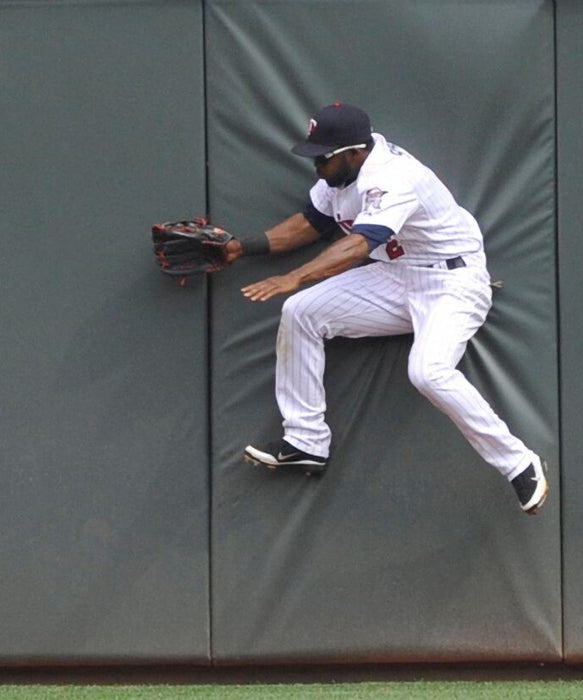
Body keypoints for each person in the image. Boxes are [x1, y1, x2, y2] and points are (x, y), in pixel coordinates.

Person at [227, 103, 548, 514]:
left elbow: (359, 244)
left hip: (452, 281)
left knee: (427, 372)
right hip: (396, 277)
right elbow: (311, 223)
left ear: (355, 152)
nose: (317, 164)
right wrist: (241, 248)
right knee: (301, 311)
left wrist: (296, 275)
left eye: (324, 156)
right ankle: (305, 441)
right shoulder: (341, 172)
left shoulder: (392, 177)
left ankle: (518, 462)